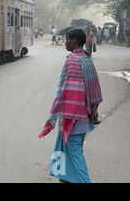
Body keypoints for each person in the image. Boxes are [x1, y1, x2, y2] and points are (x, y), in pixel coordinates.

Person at [39, 29, 103, 183]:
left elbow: (69, 92)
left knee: (75, 153)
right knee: (75, 149)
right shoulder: (86, 59)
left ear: (74, 41)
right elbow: (94, 87)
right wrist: (94, 109)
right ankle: (67, 178)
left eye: (67, 40)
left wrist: (60, 114)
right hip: (85, 116)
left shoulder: (72, 60)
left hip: (73, 117)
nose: (65, 42)